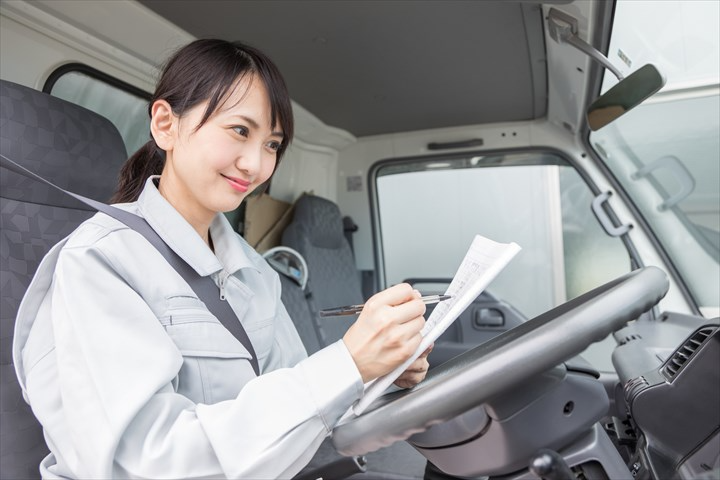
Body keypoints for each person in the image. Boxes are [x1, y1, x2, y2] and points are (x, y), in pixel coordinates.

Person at [12, 39, 431, 479]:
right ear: (165, 125)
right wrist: (348, 362)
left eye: (272, 144)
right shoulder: (100, 260)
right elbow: (147, 460)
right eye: (239, 131)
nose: (254, 164)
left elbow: (296, 401)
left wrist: (374, 371)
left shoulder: (255, 271)